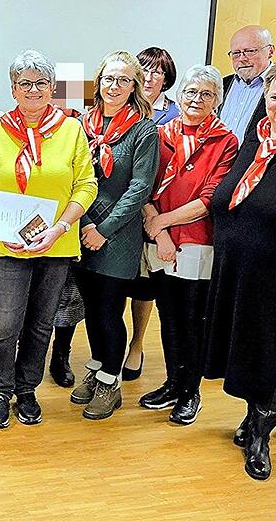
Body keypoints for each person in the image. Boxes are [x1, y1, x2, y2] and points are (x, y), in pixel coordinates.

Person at [0, 49, 97, 429]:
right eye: (25, 83)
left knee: (41, 323)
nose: (33, 90)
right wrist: (2, 226)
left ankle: (27, 390)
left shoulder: (71, 129)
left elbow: (85, 185)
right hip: (8, 247)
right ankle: (0, 390)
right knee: (5, 323)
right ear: (12, 88)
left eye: (41, 83)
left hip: (56, 244)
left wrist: (59, 228)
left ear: (52, 87)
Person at [139, 65, 237, 425]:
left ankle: (190, 392)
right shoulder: (160, 133)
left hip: (198, 242)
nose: (196, 99)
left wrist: (161, 223)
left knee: (192, 319)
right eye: (191, 92)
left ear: (217, 102)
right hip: (160, 240)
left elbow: (210, 198)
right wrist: (159, 232)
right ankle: (172, 382)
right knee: (168, 316)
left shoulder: (226, 141)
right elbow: (144, 188)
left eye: (206, 94)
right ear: (179, 96)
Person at [66, 51, 158, 420]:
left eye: (124, 80)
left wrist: (102, 229)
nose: (114, 86)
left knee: (108, 311)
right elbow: (73, 175)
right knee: (91, 310)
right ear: (97, 82)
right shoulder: (81, 123)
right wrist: (86, 222)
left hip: (117, 235)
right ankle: (99, 366)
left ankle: (111, 383)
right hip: (81, 227)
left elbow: (140, 187)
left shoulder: (143, 129)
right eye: (108, 79)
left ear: (134, 86)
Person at [204, 66, 276, 481]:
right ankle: (253, 417)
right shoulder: (258, 139)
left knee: (268, 352)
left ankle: (261, 435)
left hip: (272, 277)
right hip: (240, 271)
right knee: (249, 349)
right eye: (273, 95)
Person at [122, 46, 180, 382]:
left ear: (167, 79)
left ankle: (137, 344)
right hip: (119, 211)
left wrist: (153, 216)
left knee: (144, 287)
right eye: (143, 69)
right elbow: (61, 89)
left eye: (158, 71)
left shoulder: (173, 115)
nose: (150, 76)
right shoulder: (116, 102)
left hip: (155, 212)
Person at [218, 25, 273, 143]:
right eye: (236, 53)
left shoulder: (273, 87)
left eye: (250, 51)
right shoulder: (221, 85)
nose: (242, 59)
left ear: (270, 51)